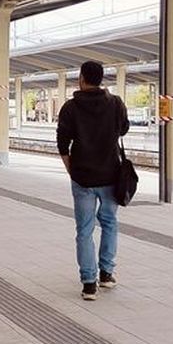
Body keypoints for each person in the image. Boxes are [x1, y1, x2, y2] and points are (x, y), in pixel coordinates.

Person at [56, 61, 129, 301]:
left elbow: (62, 143)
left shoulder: (70, 107)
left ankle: (89, 283)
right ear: (101, 79)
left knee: (84, 230)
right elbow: (124, 129)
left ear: (81, 78)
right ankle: (106, 274)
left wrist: (72, 170)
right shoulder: (115, 103)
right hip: (110, 176)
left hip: (82, 178)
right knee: (109, 223)